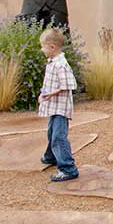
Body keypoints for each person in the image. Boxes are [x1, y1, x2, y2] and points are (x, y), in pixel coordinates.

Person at [38, 27, 79, 181]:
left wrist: (49, 94)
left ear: (52, 47)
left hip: (61, 108)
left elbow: (68, 84)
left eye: (42, 46)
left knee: (58, 136)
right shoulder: (53, 62)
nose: (42, 50)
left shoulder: (61, 64)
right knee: (51, 132)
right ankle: (51, 156)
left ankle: (68, 168)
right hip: (54, 107)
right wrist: (43, 93)